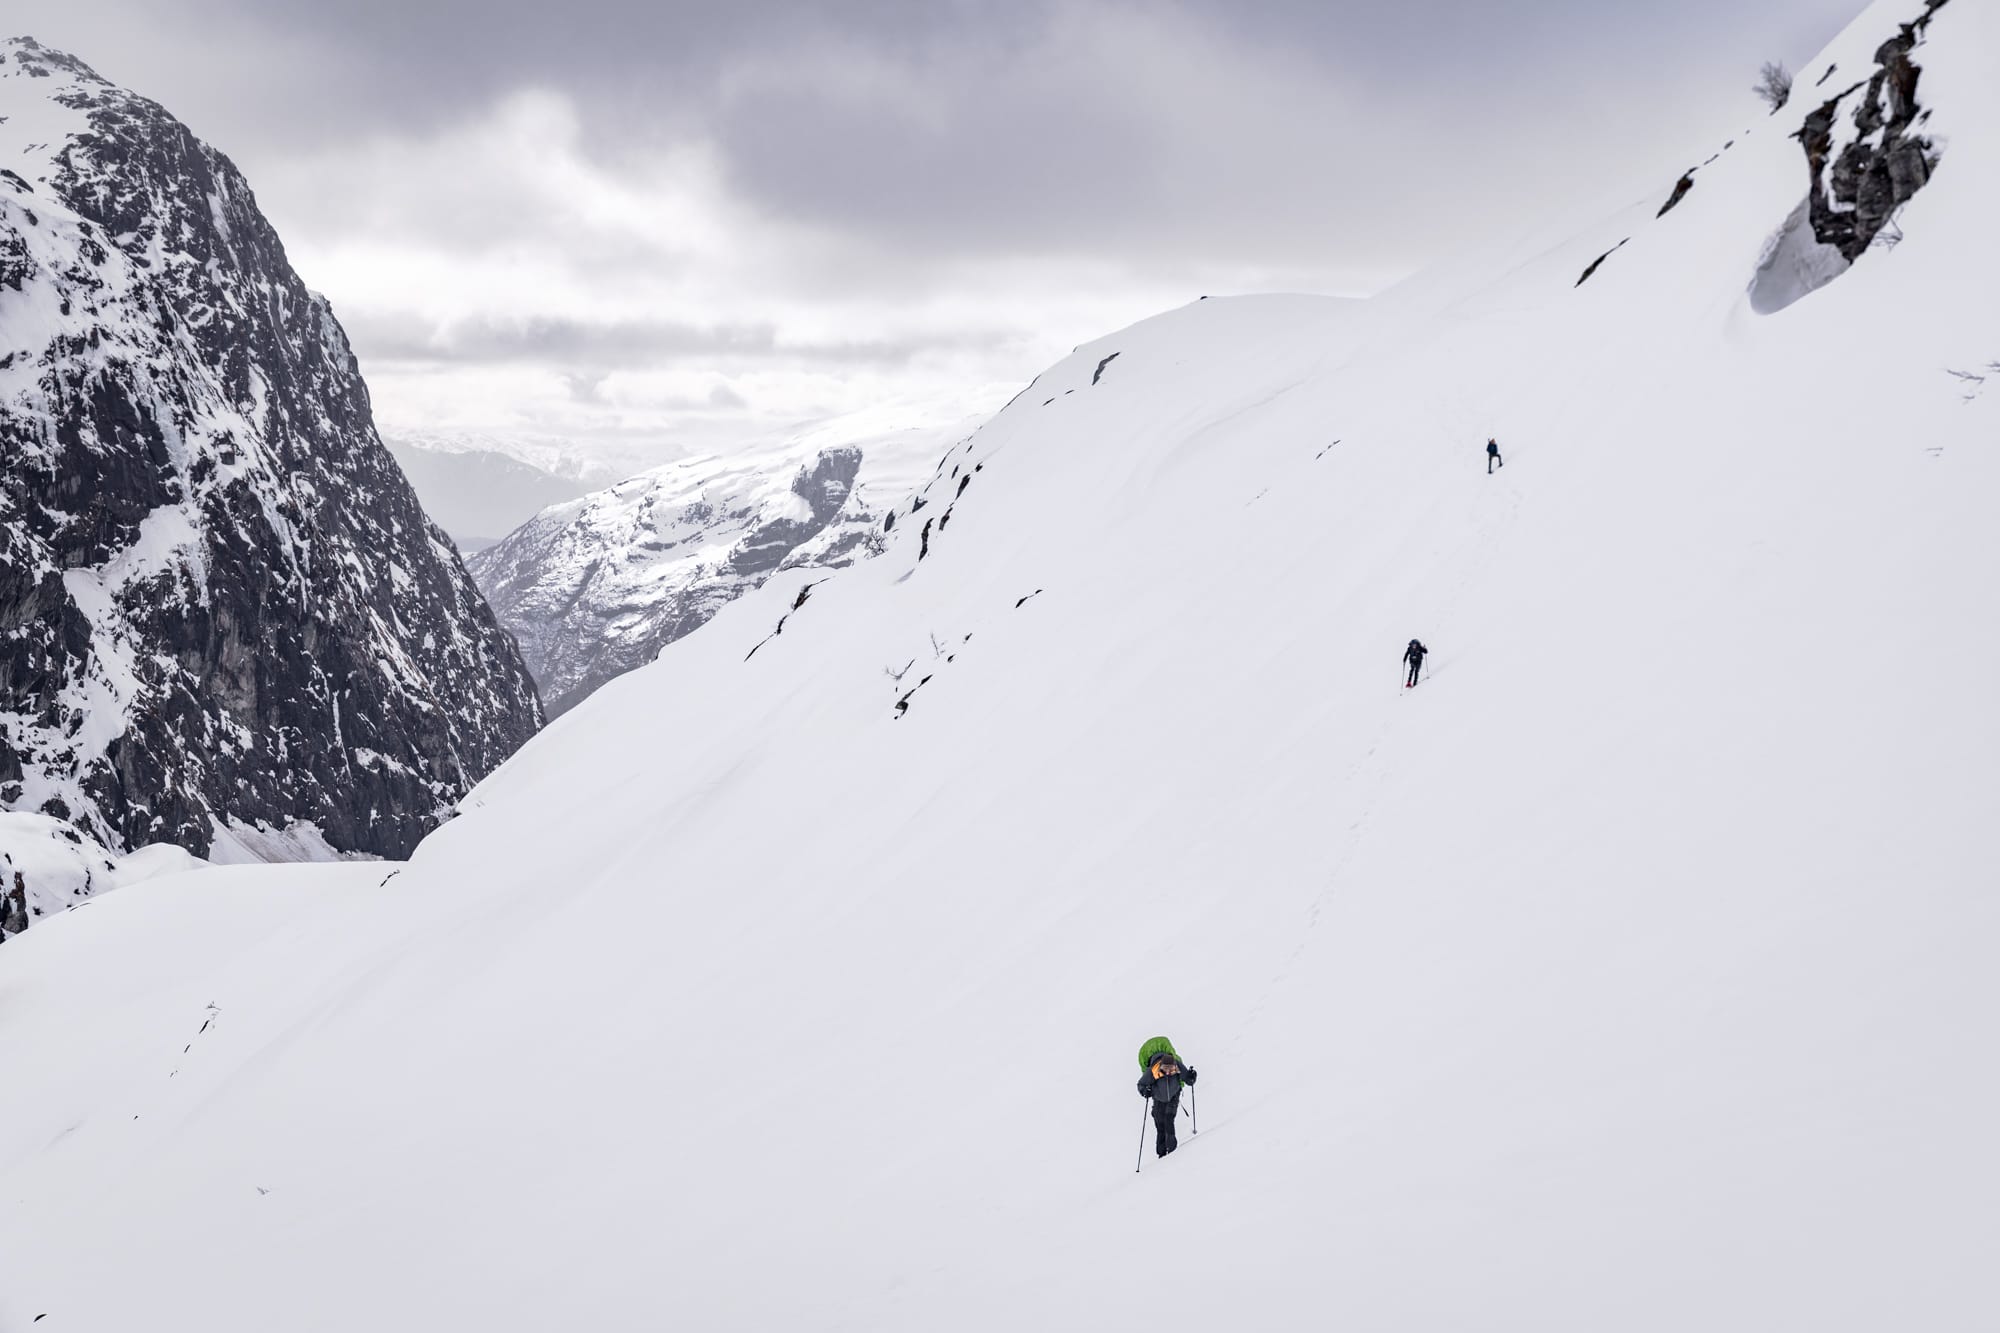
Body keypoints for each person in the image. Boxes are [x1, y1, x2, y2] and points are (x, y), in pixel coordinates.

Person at [1137, 1049, 1198, 1158]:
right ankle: (1161, 1154)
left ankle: (1172, 1152)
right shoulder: (1153, 1070)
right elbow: (1141, 1084)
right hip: (1158, 1099)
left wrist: (1192, 1077)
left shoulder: (1177, 1064)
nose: (1169, 1072)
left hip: (1174, 1096)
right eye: (1166, 1068)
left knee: (1169, 1120)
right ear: (1161, 1066)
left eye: (1171, 1069)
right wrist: (1146, 1091)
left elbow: (1187, 1079)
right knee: (1160, 1125)